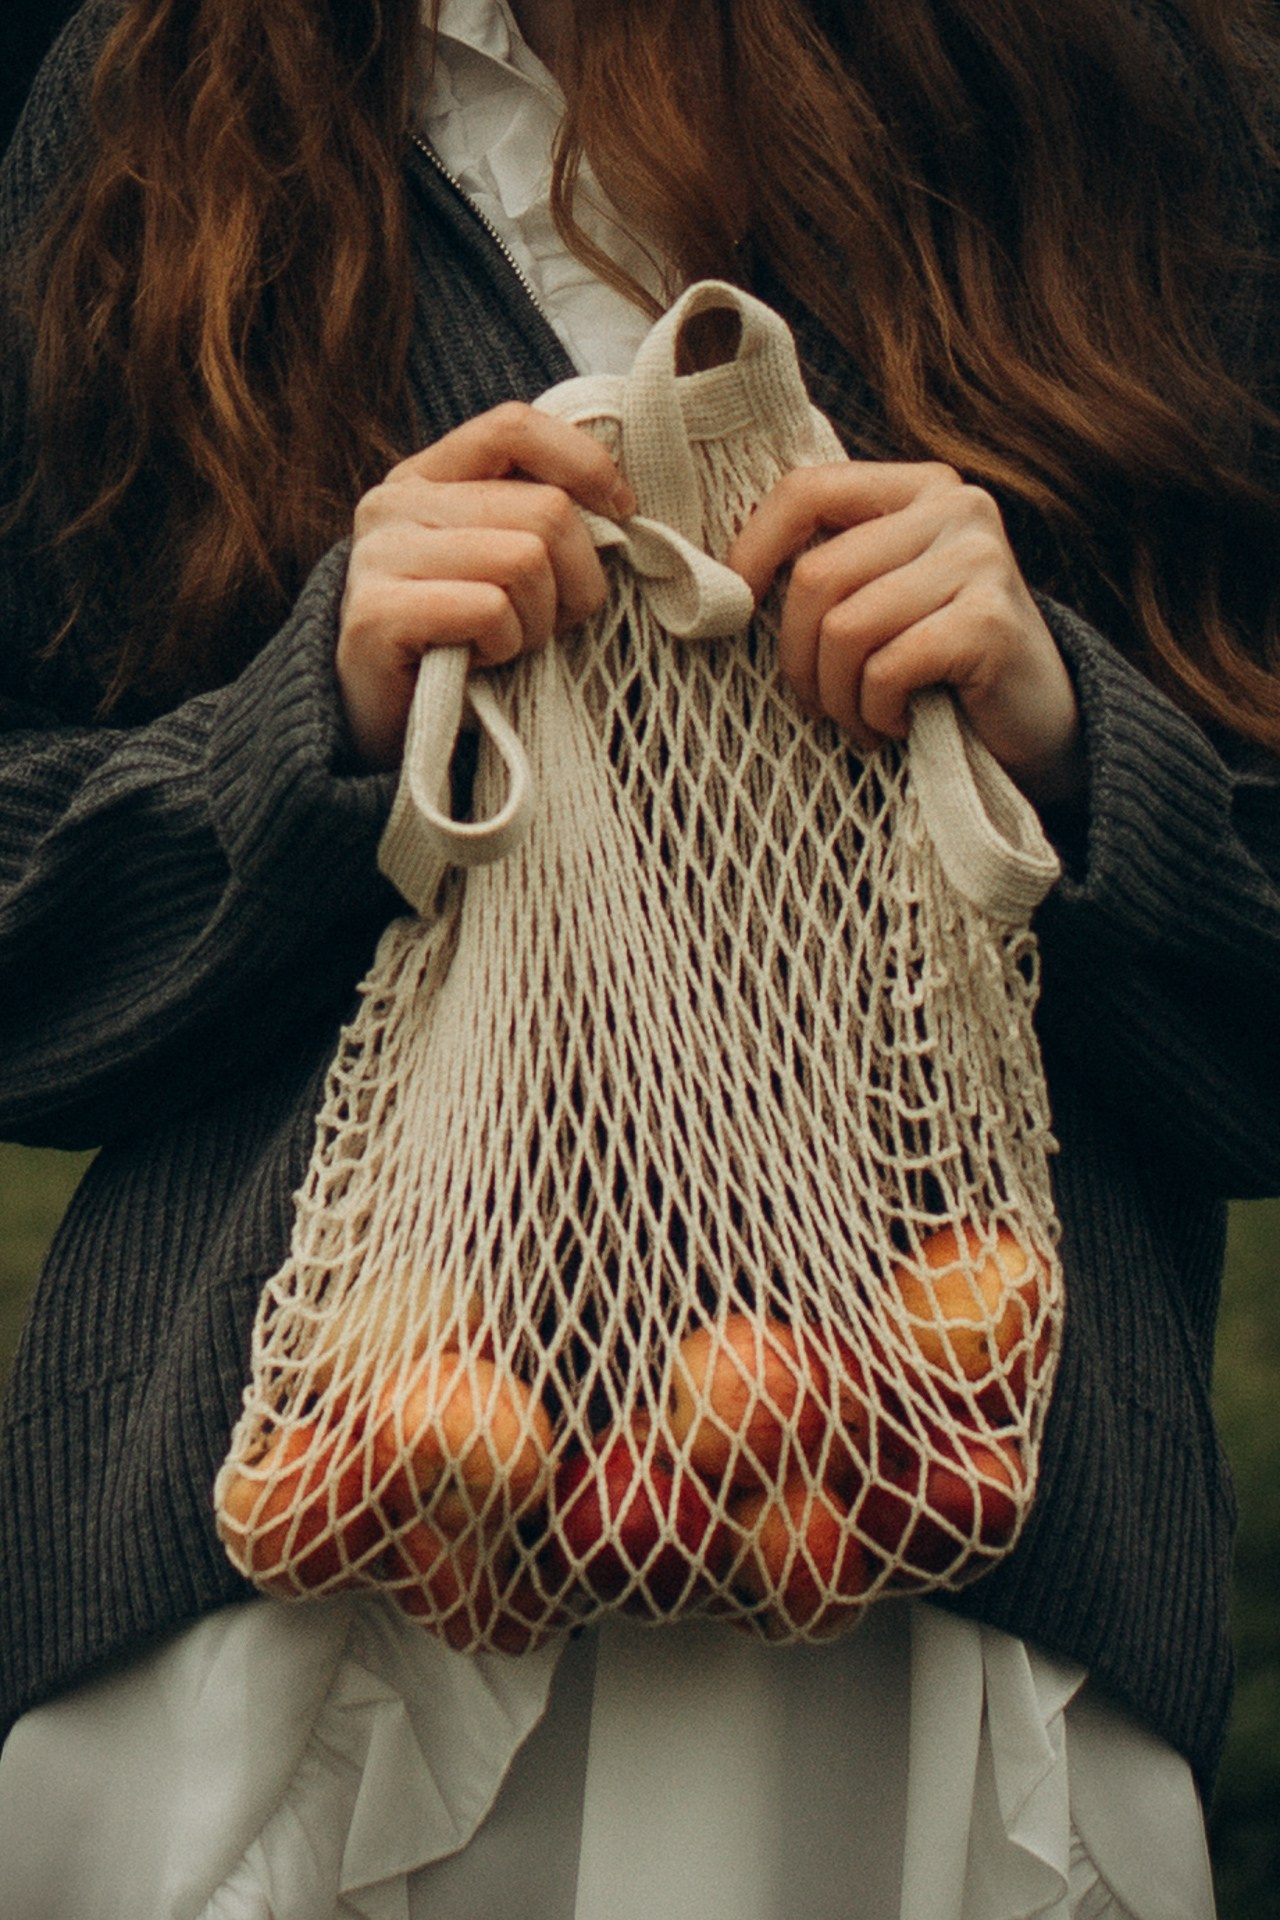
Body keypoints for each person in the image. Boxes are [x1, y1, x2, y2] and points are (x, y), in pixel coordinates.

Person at [0, 0, 1277, 1913]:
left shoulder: (1099, 73)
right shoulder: (153, 95)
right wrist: (309, 732)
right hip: (287, 1615)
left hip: (938, 1613)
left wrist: (1071, 747)